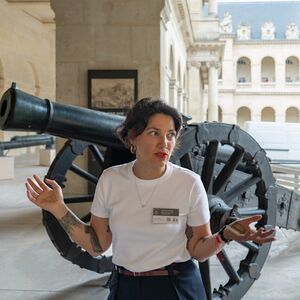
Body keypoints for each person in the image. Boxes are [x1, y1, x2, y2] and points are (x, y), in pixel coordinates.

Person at [25, 98, 275, 300]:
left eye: (171, 134)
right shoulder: (111, 180)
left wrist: (224, 236)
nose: (164, 142)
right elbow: (97, 245)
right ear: (133, 138)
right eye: (154, 133)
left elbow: (198, 250)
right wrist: (58, 208)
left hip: (177, 285)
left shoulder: (188, 183)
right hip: (125, 285)